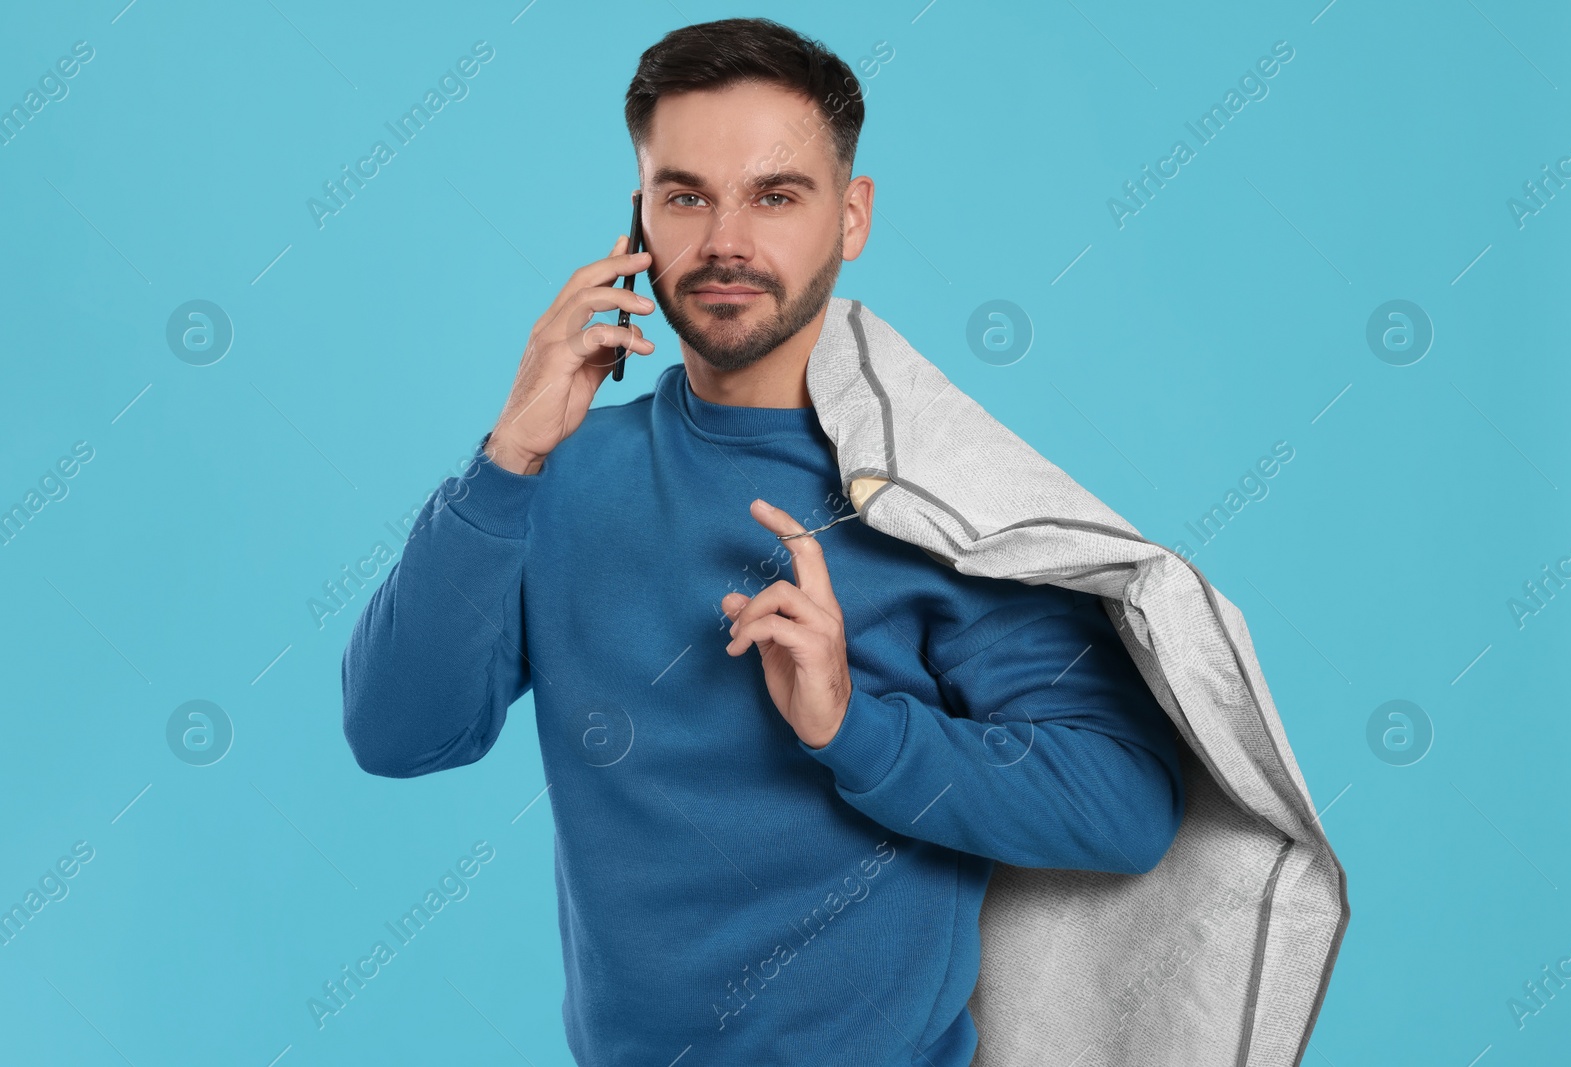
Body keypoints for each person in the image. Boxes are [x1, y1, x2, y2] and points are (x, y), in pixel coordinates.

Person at [342, 17, 1184, 1067]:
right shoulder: (558, 478)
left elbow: (1125, 804)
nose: (725, 240)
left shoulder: (936, 497)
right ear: (636, 218)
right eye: (684, 195)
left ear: (852, 215)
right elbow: (396, 731)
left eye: (774, 195)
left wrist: (849, 726)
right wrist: (509, 451)